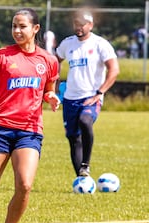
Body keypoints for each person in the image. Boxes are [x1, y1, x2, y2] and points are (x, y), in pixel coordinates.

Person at [0, 8, 60, 223]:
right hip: (0, 128)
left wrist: (51, 97)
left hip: (30, 131)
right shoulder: (2, 55)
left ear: (35, 29)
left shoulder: (49, 61)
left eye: (22, 26)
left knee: (25, 185)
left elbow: (49, 90)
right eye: (14, 26)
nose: (17, 31)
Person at [55, 8, 120, 177]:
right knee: (72, 138)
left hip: (91, 96)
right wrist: (55, 85)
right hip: (69, 98)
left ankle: (86, 164)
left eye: (82, 24)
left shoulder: (100, 44)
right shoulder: (67, 43)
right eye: (76, 23)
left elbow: (114, 70)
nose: (79, 27)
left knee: (85, 121)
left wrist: (100, 92)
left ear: (90, 25)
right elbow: (55, 60)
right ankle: (82, 178)